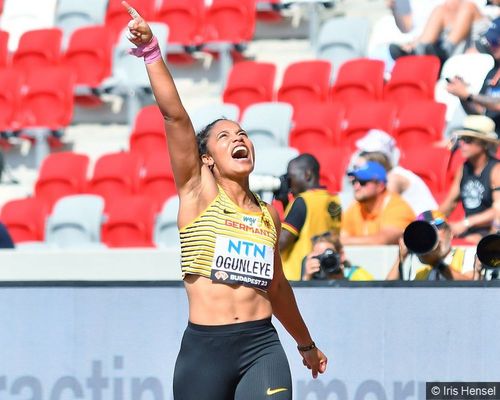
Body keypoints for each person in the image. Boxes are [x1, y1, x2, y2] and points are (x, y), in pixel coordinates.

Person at [121, 2, 327, 399]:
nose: (239, 139)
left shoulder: (269, 214)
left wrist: (305, 344)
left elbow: (279, 288)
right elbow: (175, 119)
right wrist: (151, 53)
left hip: (262, 347)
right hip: (205, 351)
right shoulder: (196, 192)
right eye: (225, 136)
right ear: (206, 159)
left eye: (243, 134)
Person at [278, 154, 341, 281]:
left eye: (291, 178)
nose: (289, 184)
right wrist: (285, 202)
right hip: (327, 272)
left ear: (307, 174)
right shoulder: (334, 200)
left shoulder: (302, 201)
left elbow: (281, 244)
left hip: (300, 275)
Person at [439, 115, 500, 243]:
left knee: (470, 241)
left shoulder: (496, 170)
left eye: (468, 140)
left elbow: (497, 211)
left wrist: (466, 223)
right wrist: (432, 222)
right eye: (461, 139)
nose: (461, 144)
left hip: (491, 231)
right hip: (470, 230)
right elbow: (450, 203)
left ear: (484, 144)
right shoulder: (463, 169)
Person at [352, 129, 438, 215]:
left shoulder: (394, 177)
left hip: (428, 225)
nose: (360, 156)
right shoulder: (385, 177)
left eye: (364, 154)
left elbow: (382, 211)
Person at [446, 17, 500, 135]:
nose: (492, 46)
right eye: (489, 41)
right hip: (492, 138)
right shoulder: (493, 73)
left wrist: (469, 95)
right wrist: (462, 95)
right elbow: (481, 113)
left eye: (496, 41)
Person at [341, 161, 415, 245]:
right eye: (354, 182)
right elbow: (343, 236)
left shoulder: (397, 207)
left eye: (362, 182)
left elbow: (382, 240)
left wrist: (342, 241)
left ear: (380, 186)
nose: (356, 186)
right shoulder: (355, 207)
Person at [386, 210, 476, 280]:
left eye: (437, 228)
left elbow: (470, 287)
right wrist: (401, 257)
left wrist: (437, 263)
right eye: (424, 233)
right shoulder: (420, 271)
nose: (433, 235)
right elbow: (388, 293)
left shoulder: (466, 255)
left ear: (450, 232)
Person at [389, 0, 487, 63]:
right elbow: (406, 27)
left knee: (468, 7)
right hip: (456, 29)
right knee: (440, 10)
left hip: (482, 24)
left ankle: (444, 50)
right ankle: (419, 49)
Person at [301, 232, 373, 281]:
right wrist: (306, 279)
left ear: (341, 255)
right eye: (320, 256)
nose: (326, 260)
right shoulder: (313, 278)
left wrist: (341, 280)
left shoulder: (357, 275)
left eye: (329, 255)